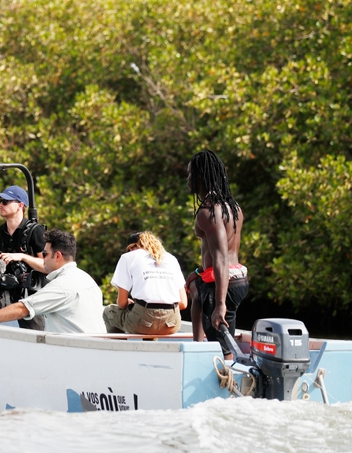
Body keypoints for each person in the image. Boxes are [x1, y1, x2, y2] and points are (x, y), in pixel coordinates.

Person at [0, 229, 106, 333]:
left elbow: (23, 308)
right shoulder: (87, 280)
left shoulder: (62, 285)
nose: (43, 259)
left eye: (45, 254)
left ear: (58, 256)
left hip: (73, 355)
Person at [186, 150, 248, 358]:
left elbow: (220, 257)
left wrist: (220, 305)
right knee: (194, 285)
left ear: (199, 177)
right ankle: (197, 347)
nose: (187, 180)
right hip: (237, 279)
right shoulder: (234, 207)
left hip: (222, 285)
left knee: (223, 348)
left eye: (189, 175)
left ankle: (228, 375)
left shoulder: (208, 213)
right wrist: (198, 272)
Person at [0, 185, 47, 330]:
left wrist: (22, 257)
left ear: (20, 205)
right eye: (0, 201)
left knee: (35, 335)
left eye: (6, 201)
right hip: (3, 289)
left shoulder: (36, 231)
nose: (0, 205)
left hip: (30, 293)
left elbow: (47, 266)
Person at [103, 231, 188, 335]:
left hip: (142, 322)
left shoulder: (128, 257)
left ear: (132, 247)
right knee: (146, 319)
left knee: (109, 312)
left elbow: (121, 303)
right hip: (172, 323)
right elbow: (183, 303)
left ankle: (120, 349)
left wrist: (134, 305)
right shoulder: (171, 258)